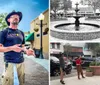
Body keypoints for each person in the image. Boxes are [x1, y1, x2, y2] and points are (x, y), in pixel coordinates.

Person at [0, 11, 35, 85]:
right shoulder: (4, 32)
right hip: (9, 63)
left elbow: (22, 46)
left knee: (21, 82)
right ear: (8, 20)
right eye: (13, 16)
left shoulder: (21, 33)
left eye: (17, 17)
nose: (16, 17)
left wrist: (26, 50)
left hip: (21, 63)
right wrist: (11, 48)